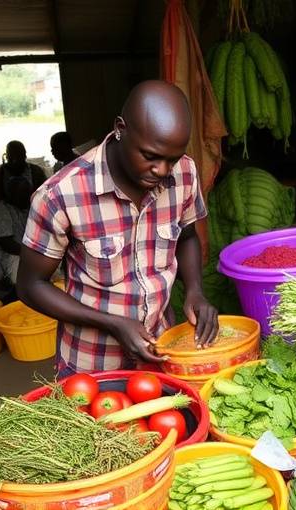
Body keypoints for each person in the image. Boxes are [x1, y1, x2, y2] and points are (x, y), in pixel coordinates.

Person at [17, 80, 218, 377]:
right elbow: (30, 286)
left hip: (160, 351)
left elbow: (187, 235)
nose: (162, 170)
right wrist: (111, 322)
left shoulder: (185, 172)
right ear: (120, 128)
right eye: (150, 156)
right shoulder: (61, 195)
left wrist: (194, 291)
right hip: (90, 365)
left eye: (171, 159)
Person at [0, 140, 47, 209]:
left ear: (25, 155)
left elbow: (45, 195)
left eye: (18, 156)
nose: (15, 161)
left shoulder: (36, 171)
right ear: (6, 156)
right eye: (12, 157)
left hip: (33, 210)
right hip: (6, 214)